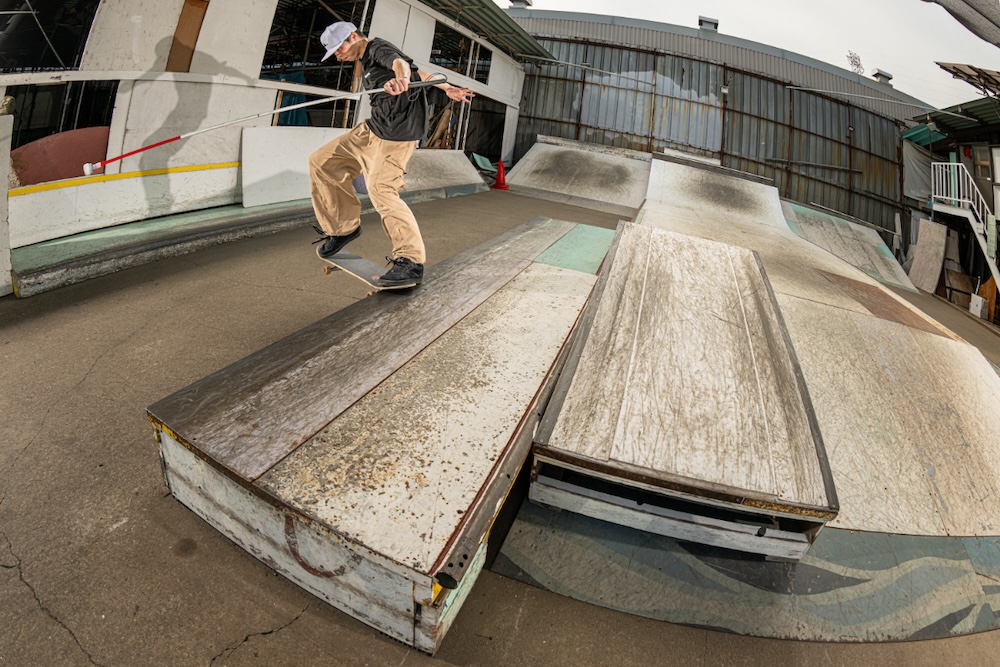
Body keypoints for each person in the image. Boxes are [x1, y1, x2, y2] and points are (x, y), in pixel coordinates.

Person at [309, 22, 475, 286]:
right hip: (373, 129)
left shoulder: (377, 48)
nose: (338, 56)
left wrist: (403, 80)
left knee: (381, 189)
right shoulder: (365, 61)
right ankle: (343, 229)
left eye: (340, 49)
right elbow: (419, 72)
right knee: (321, 161)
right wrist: (447, 88)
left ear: (353, 37)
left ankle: (410, 261)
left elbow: (401, 65)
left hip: (397, 136)